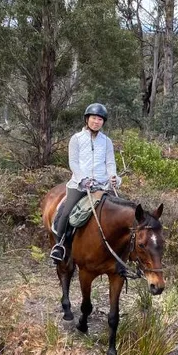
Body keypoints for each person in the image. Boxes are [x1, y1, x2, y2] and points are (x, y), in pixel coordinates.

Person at [50, 102, 121, 263]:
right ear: (87, 119)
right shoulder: (76, 139)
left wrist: (113, 176)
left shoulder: (106, 141)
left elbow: (110, 162)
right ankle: (59, 246)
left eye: (100, 119)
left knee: (122, 212)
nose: (97, 122)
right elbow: (73, 162)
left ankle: (120, 252)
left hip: (102, 185)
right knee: (66, 213)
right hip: (80, 185)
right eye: (94, 118)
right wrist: (83, 179)